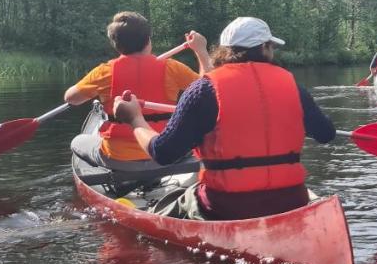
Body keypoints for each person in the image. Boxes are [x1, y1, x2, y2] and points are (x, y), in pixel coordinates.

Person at [113, 17, 336, 221]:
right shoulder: (294, 87)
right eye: (272, 46)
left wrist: (135, 120)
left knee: (169, 206)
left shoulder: (204, 89)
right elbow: (326, 134)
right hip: (290, 201)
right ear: (264, 48)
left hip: (227, 207)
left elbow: (163, 153)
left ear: (225, 51)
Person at [65, 11, 212, 171]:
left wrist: (96, 89)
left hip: (119, 158)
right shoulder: (172, 68)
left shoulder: (104, 72)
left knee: (78, 141)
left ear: (116, 45)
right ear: (148, 40)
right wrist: (201, 51)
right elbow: (210, 90)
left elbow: (71, 98)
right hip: (164, 154)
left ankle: (110, 172)